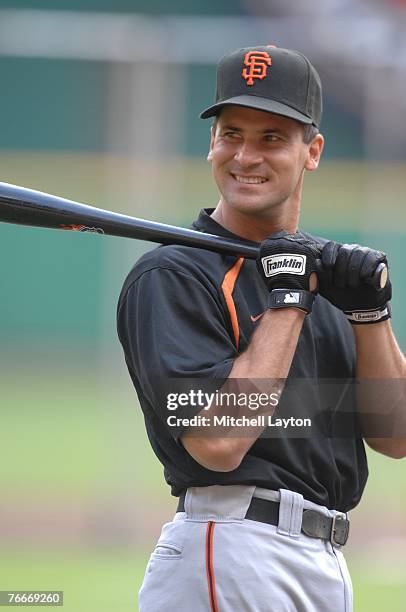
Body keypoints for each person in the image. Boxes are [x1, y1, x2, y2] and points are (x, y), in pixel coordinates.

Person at [117, 45, 406, 612]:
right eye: (231, 134)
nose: (245, 155)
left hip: (321, 559)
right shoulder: (172, 274)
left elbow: (394, 435)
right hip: (230, 550)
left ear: (312, 151)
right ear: (212, 143)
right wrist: (291, 299)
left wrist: (370, 315)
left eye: (271, 137)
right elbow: (218, 442)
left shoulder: (314, 279)